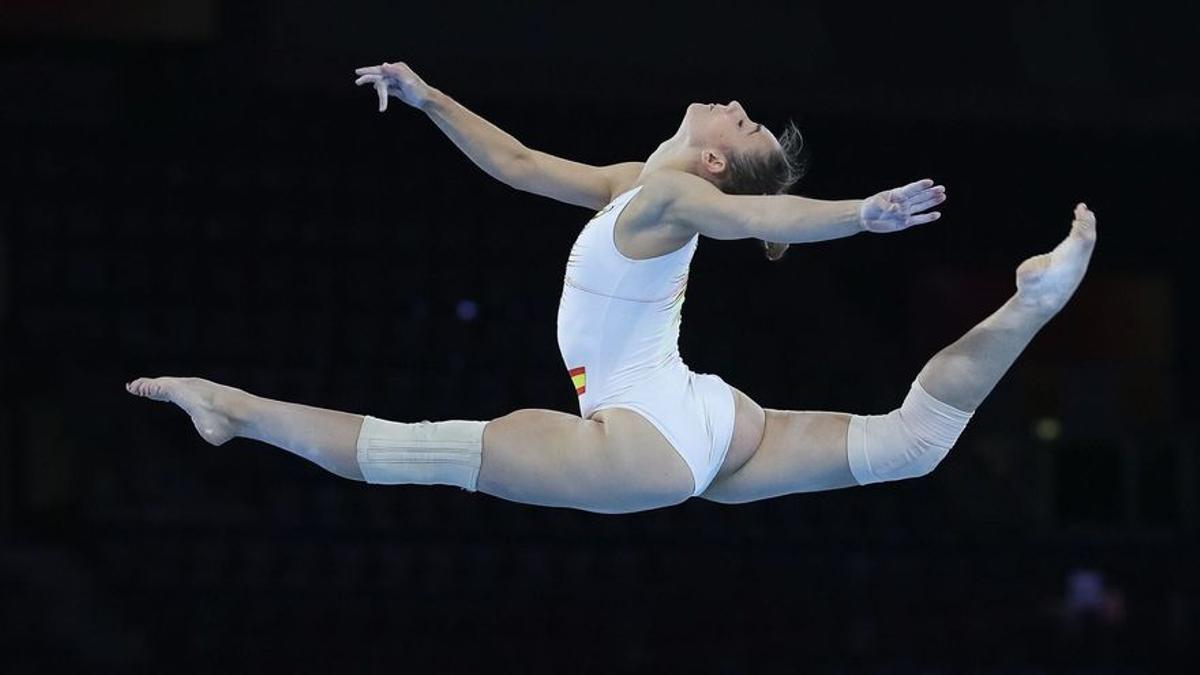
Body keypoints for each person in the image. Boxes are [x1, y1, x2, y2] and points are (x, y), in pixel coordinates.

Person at [126, 61, 1097, 515]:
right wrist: (428, 98)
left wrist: (858, 215)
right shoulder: (637, 189)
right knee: (907, 447)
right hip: (698, 417)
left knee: (415, 454)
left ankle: (235, 408)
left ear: (713, 160)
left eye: (743, 122)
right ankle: (1035, 304)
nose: (735, 103)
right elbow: (513, 162)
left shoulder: (673, 198)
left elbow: (761, 219)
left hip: (644, 435)